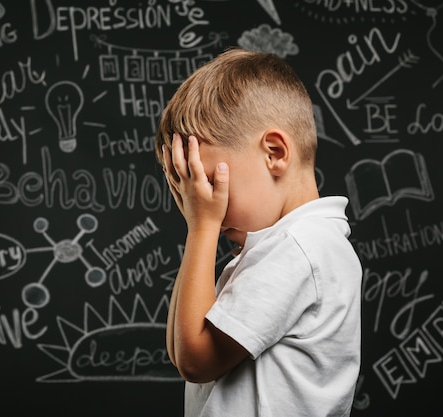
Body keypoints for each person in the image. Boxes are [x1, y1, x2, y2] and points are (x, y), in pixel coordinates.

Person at [154, 47, 362, 417]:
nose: (202, 202)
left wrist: (201, 228)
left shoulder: (301, 248)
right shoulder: (288, 246)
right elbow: (178, 348)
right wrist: (197, 225)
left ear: (275, 153)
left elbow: (195, 361)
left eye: (207, 182)